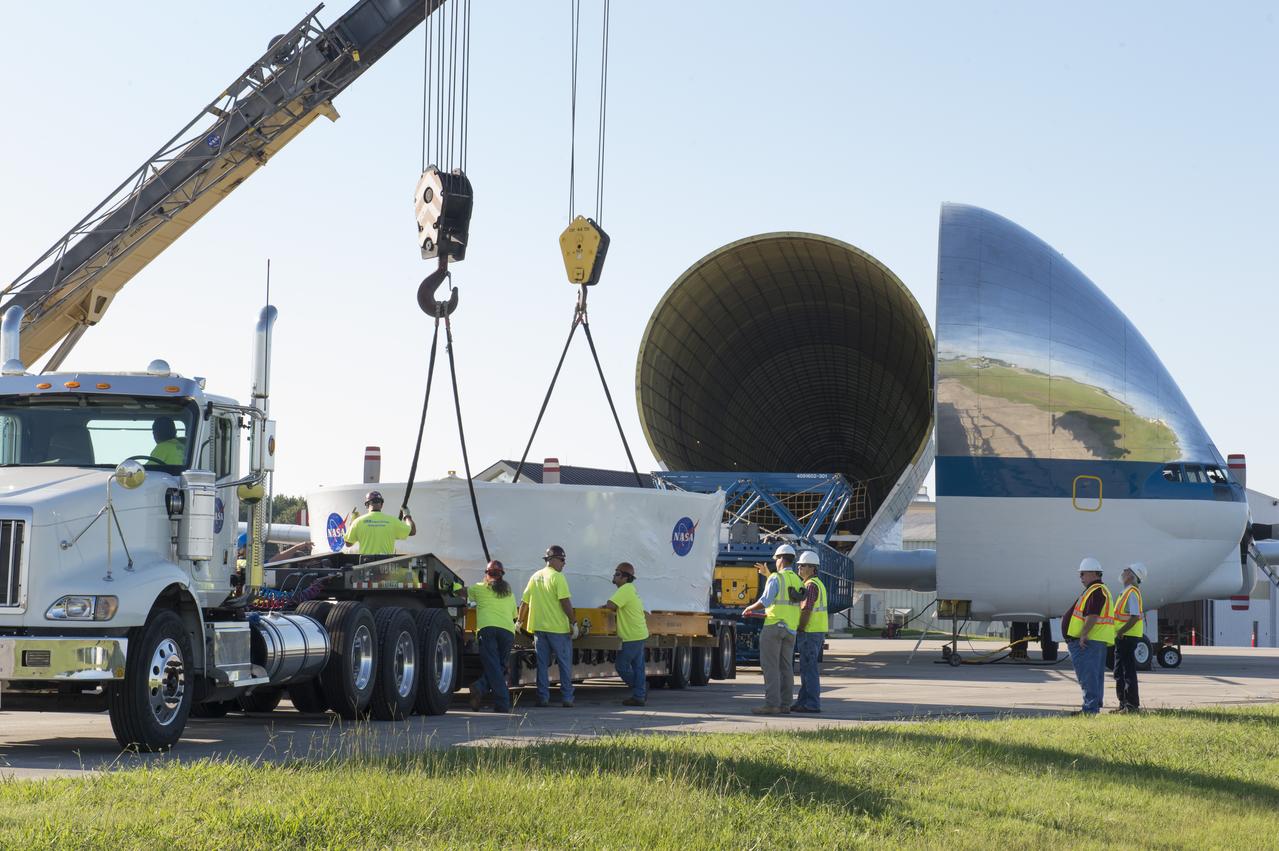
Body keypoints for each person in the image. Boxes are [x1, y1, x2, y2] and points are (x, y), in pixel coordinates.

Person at [741, 543, 803, 715]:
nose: (775, 562)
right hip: (790, 630)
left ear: (781, 559)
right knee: (786, 668)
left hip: (774, 627)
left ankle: (771, 704)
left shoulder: (777, 578)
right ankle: (785, 705)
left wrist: (750, 608)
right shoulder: (798, 580)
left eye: (776, 559)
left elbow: (766, 600)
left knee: (770, 667)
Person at [518, 544, 575, 707]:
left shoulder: (535, 577)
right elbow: (565, 601)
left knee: (542, 665)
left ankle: (543, 698)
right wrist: (574, 622)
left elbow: (524, 601)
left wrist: (519, 622)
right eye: (562, 560)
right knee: (564, 665)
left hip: (539, 630)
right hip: (558, 630)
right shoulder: (558, 577)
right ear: (554, 560)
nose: (564, 563)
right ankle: (567, 698)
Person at [1062, 557, 1115, 715]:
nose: (1081, 577)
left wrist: (1084, 634)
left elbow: (1092, 615)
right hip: (1095, 641)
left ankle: (1090, 709)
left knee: (1088, 676)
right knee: (1094, 675)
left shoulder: (1096, 591)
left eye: (1082, 574)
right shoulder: (1098, 590)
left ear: (1092, 573)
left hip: (1088, 641)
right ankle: (1093, 706)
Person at [468, 560, 518, 713]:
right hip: (507, 632)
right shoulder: (508, 592)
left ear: (486, 574)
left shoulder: (479, 588)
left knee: (493, 666)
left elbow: (463, 593)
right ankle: (481, 687)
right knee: (500, 667)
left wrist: (453, 586)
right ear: (502, 576)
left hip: (488, 629)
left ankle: (500, 702)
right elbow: (514, 615)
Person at [603, 562, 648, 706]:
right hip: (638, 634)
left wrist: (602, 608)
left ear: (625, 577)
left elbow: (611, 605)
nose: (614, 577)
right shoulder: (630, 589)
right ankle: (639, 696)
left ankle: (640, 689)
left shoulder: (625, 589)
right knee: (638, 667)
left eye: (617, 574)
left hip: (632, 636)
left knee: (621, 666)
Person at [792, 550, 828, 713]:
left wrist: (800, 627)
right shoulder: (816, 584)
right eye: (799, 565)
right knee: (806, 668)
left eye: (803, 565)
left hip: (809, 632)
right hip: (815, 632)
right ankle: (803, 701)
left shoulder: (811, 585)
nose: (799, 568)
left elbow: (806, 609)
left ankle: (812, 704)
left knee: (809, 669)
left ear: (813, 569)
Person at [1112, 562, 1147, 713]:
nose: (1123, 571)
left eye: (1126, 570)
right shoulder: (1126, 592)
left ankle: (1131, 705)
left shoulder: (1131, 592)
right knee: (1120, 671)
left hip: (1127, 637)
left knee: (1126, 671)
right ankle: (1124, 705)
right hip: (1124, 637)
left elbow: (1134, 617)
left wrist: (1121, 631)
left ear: (1132, 576)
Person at [343, 490, 416, 556]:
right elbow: (412, 531)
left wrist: (352, 522)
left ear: (367, 505)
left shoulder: (358, 522)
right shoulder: (392, 521)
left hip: (365, 566)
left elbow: (348, 543)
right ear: (381, 505)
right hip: (386, 565)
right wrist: (407, 515)